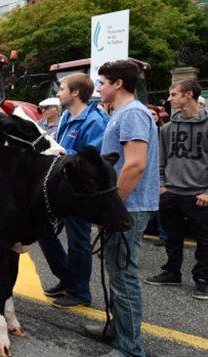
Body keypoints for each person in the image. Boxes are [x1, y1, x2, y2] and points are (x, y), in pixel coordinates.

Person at [86, 60, 160, 357]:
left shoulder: (131, 114)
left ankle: (129, 348)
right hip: (127, 205)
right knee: (116, 272)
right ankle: (119, 330)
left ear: (118, 84)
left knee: (123, 276)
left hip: (129, 206)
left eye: (102, 82)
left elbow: (135, 165)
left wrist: (111, 207)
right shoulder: (125, 114)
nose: (98, 88)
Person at [38, 73, 109, 309]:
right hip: (61, 187)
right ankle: (68, 278)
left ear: (76, 92)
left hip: (79, 192)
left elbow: (91, 161)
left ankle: (80, 292)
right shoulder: (67, 115)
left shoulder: (96, 121)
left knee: (79, 241)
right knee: (44, 232)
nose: (59, 93)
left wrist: (63, 154)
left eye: (62, 88)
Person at [145, 79, 208, 300]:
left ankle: (203, 279)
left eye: (173, 94)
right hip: (171, 192)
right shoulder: (168, 128)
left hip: (199, 194)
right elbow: (161, 159)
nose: (169, 99)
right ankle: (172, 272)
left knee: (204, 240)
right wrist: (162, 185)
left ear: (188, 94)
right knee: (172, 236)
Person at [146, 104, 168, 247]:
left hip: (160, 174)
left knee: (160, 207)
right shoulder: (141, 132)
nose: (151, 117)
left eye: (153, 114)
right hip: (145, 173)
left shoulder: (163, 132)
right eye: (148, 114)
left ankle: (163, 234)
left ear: (158, 116)